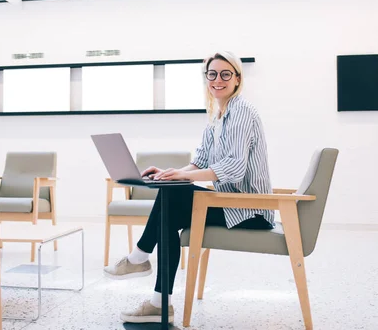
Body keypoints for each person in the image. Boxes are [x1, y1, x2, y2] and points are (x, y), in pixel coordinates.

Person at [104, 51, 275, 324]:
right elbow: (201, 161)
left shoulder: (242, 111)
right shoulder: (217, 114)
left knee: (173, 197)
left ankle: (139, 259)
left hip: (250, 209)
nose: (217, 80)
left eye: (225, 74)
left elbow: (234, 169)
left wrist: (182, 179)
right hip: (228, 201)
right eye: (212, 74)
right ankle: (158, 301)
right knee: (169, 205)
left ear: (237, 79)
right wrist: (172, 173)